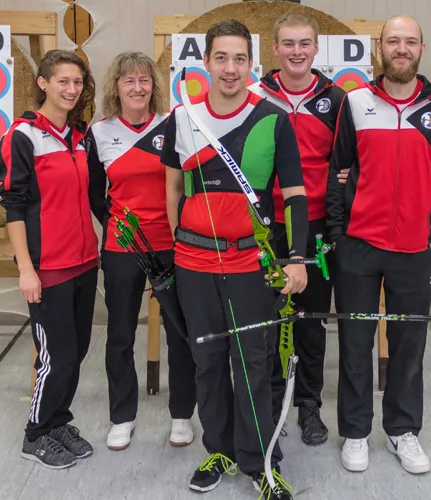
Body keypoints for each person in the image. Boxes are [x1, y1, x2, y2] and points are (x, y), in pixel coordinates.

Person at [161, 19, 309, 499]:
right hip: (194, 265)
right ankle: (219, 449)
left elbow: (295, 195)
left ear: (252, 64)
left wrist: (298, 258)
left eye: (239, 59)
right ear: (204, 62)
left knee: (253, 362)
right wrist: (180, 244)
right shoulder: (182, 118)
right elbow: (172, 190)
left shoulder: (273, 118)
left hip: (250, 264)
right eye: (220, 58)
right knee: (206, 361)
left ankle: (260, 462)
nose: (230, 68)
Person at [326, 15, 431, 475]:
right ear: (379, 48)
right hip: (358, 248)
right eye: (393, 41)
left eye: (409, 42)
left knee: (409, 343)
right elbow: (339, 168)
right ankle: (356, 433)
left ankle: (403, 431)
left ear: (422, 48)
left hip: (411, 248)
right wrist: (340, 236)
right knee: (355, 340)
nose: (401, 49)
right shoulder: (355, 102)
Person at [0, 49, 99, 470]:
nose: (71, 90)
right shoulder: (23, 135)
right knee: (56, 357)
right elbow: (13, 205)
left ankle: (58, 422)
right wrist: (26, 269)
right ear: (43, 83)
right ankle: (35, 434)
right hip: (46, 269)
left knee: (78, 350)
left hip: (84, 264)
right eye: (62, 82)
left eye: (77, 82)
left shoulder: (78, 135)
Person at [86, 51, 197, 451]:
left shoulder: (174, 125)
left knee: (180, 333)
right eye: (129, 80)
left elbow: (187, 185)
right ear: (116, 87)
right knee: (119, 334)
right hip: (122, 246)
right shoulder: (98, 132)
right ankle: (122, 417)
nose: (137, 88)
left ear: (154, 86)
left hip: (171, 243)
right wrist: (119, 222)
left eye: (144, 80)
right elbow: (95, 194)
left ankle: (182, 416)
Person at [249, 10, 346, 447]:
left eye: (304, 43)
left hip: (317, 226)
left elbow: (349, 160)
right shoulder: (254, 96)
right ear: (275, 48)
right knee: (266, 317)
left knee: (310, 320)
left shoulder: (336, 98)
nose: (296, 52)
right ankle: (271, 404)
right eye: (288, 44)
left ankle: (309, 406)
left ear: (316, 48)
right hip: (266, 225)